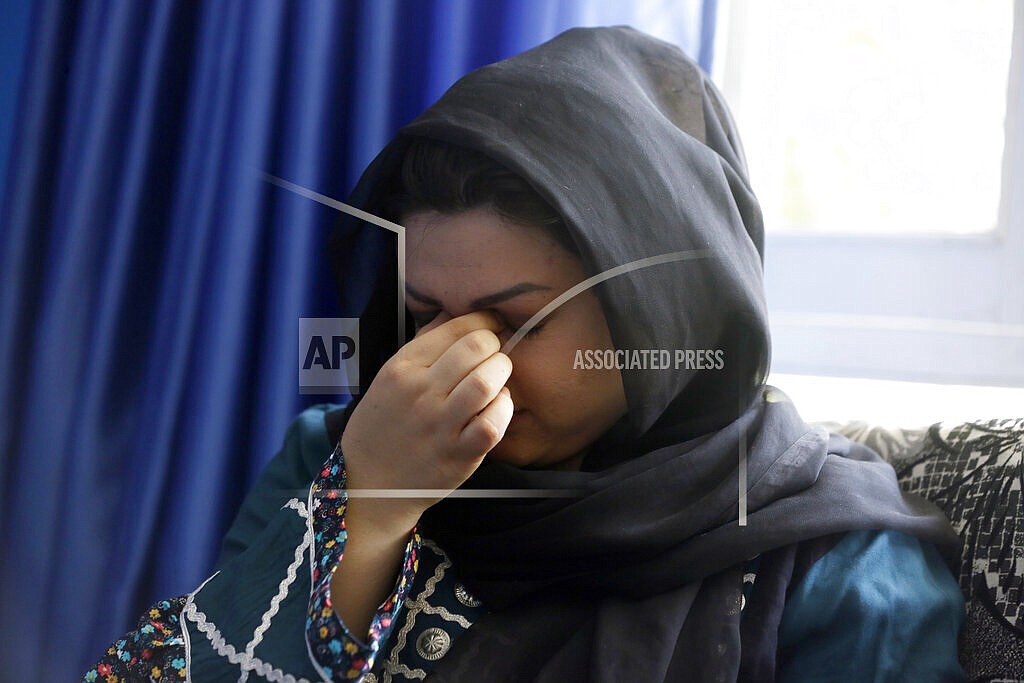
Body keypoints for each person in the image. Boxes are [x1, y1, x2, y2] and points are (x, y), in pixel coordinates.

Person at [85, 26, 966, 682]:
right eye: (423, 311)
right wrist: (367, 513)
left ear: (663, 315)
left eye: (517, 324)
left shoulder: (834, 570)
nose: (456, 357)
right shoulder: (339, 456)